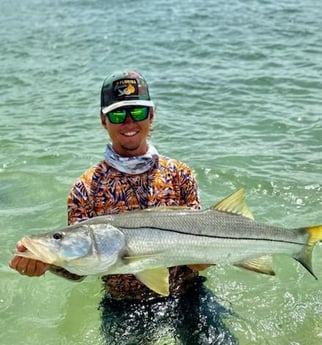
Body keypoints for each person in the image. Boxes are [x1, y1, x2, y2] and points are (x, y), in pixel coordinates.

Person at [9, 70, 238, 344]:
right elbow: (79, 268)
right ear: (103, 120)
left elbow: (201, 264)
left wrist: (206, 251)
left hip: (187, 295)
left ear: (151, 115)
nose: (129, 122)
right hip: (123, 306)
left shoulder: (180, 174)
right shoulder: (85, 188)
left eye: (138, 112)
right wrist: (48, 263)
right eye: (118, 115)